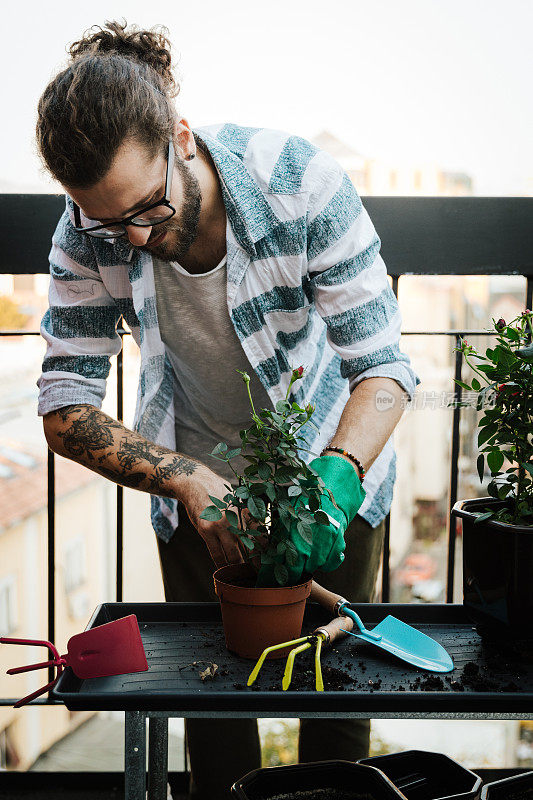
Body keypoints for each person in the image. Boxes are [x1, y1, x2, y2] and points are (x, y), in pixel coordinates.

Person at [36, 20, 419, 800]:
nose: (135, 239)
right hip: (198, 499)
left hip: (330, 476)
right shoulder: (87, 231)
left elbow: (380, 366)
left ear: (180, 137)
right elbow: (64, 403)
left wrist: (335, 478)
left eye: (149, 209)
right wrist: (182, 475)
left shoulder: (298, 184)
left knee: (335, 703)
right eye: (111, 223)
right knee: (212, 708)